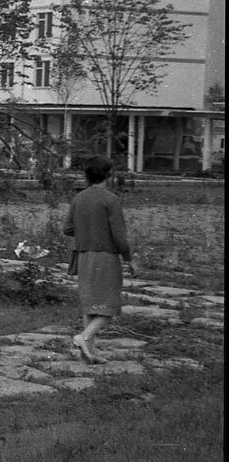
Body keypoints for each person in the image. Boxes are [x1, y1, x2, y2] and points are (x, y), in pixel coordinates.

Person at [63, 156, 134, 365]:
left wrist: (86, 230)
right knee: (108, 307)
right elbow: (120, 236)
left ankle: (89, 353)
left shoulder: (79, 199)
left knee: (90, 305)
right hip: (106, 256)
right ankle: (83, 338)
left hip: (84, 256)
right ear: (108, 175)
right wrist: (129, 258)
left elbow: (67, 228)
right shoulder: (110, 199)